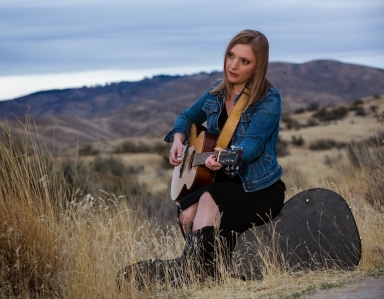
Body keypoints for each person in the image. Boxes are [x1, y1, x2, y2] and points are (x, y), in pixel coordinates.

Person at [117, 29, 286, 289]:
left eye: (245, 61)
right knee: (186, 212)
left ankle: (187, 274)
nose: (233, 65)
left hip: (259, 188)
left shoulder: (268, 99)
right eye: (231, 55)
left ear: (258, 66)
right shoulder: (216, 94)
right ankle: (208, 275)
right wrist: (178, 140)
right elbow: (186, 118)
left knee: (209, 198)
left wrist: (230, 156)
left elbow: (254, 143)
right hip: (226, 183)